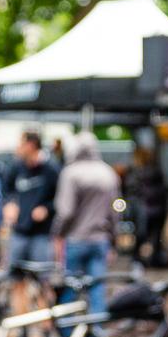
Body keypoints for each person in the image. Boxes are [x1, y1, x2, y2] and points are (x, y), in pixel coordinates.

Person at [53, 134, 118, 313]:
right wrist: (114, 241)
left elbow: (65, 212)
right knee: (97, 289)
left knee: (70, 288)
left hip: (75, 240)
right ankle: (97, 334)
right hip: (100, 240)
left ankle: (67, 334)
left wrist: (57, 234)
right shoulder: (108, 173)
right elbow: (115, 211)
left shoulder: (70, 173)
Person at [1, 131, 60, 267]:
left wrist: (47, 208)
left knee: (42, 276)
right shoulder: (16, 167)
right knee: (13, 275)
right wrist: (9, 204)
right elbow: (6, 190)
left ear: (31, 145)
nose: (18, 147)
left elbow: (60, 199)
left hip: (41, 234)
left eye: (22, 143)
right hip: (19, 232)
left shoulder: (51, 169)